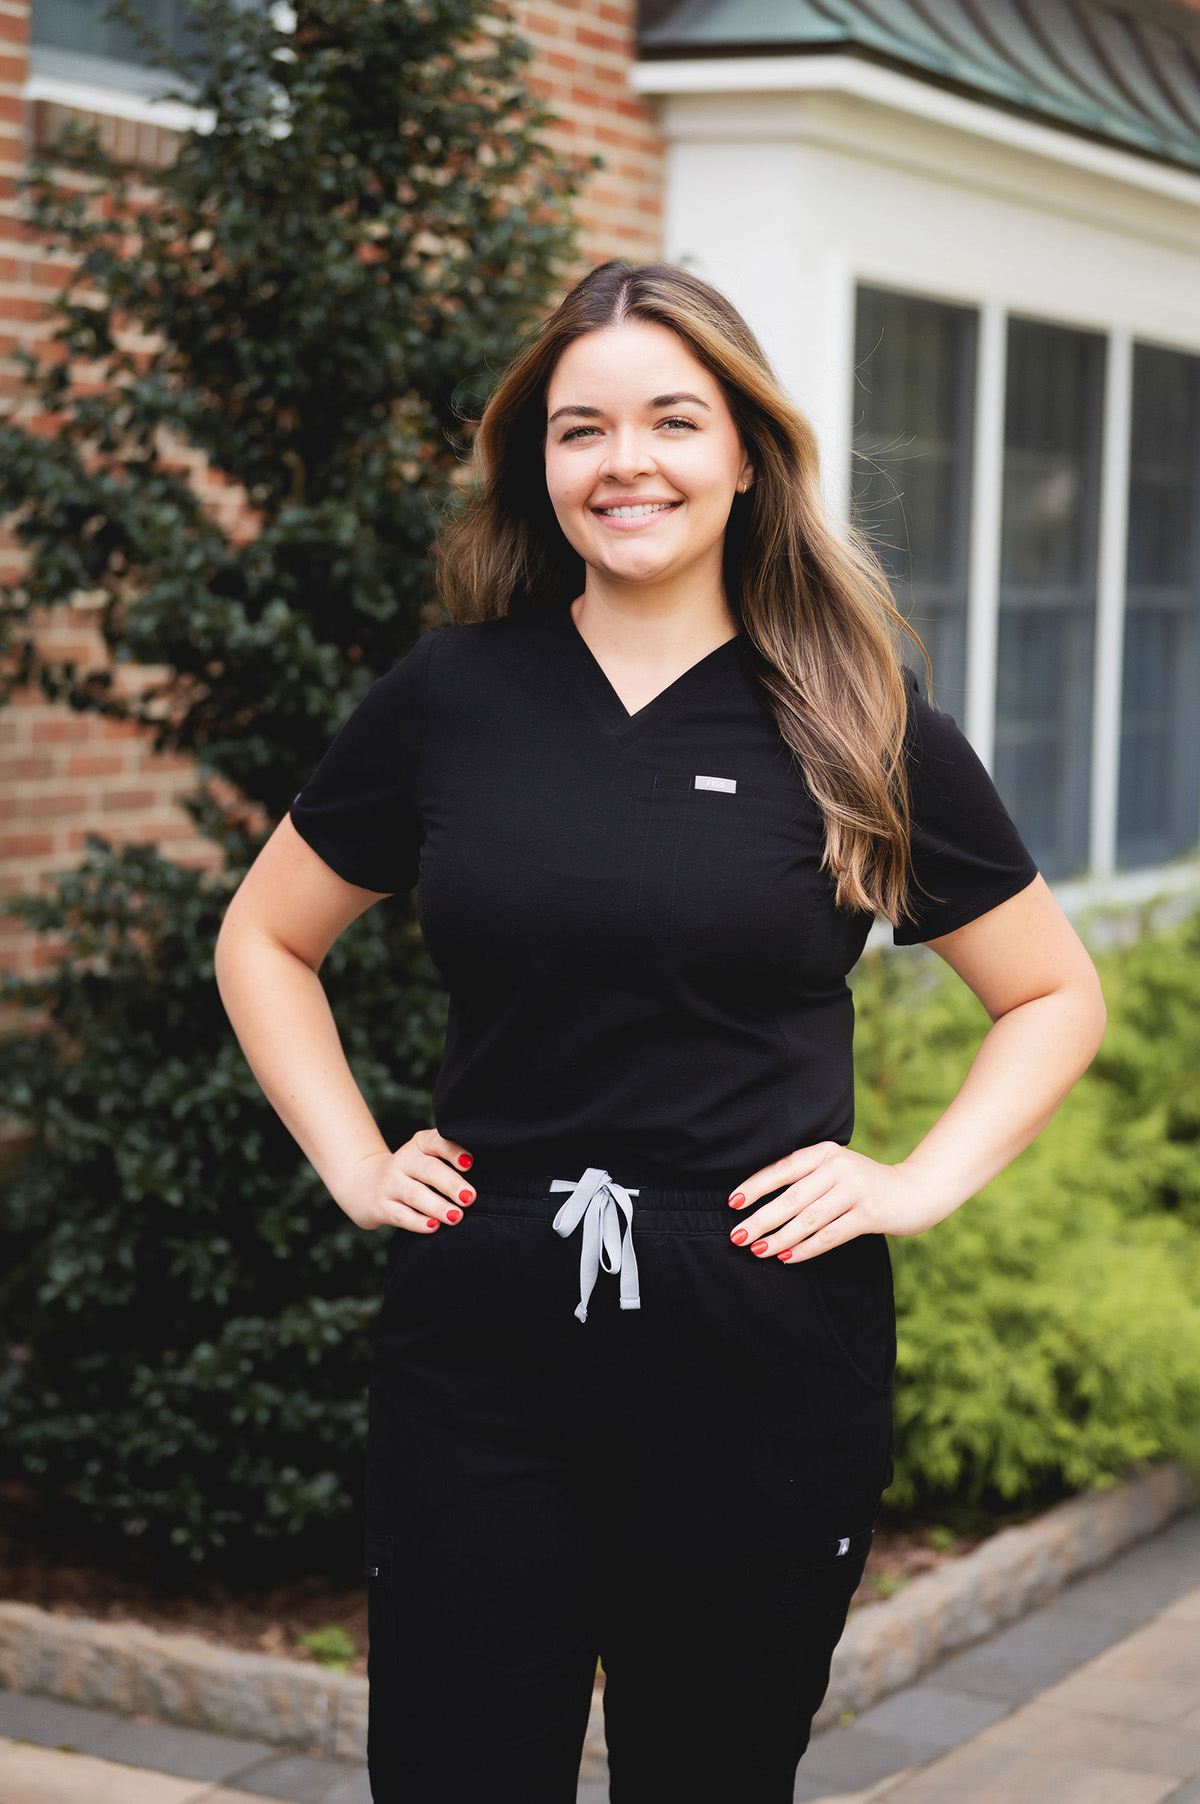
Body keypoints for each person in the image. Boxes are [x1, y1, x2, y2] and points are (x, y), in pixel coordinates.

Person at [214, 261, 1107, 1804]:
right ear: (537, 464)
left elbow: (1050, 992)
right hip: (483, 1326)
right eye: (581, 430)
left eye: (672, 420)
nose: (625, 461)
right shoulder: (456, 694)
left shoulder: (849, 707)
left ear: (747, 452)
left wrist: (916, 1181)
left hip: (758, 1332)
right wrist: (355, 1162)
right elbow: (266, 937)